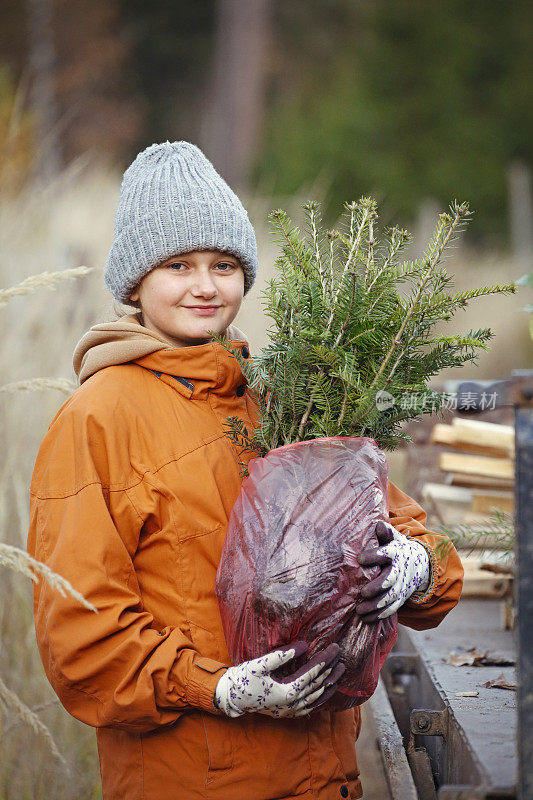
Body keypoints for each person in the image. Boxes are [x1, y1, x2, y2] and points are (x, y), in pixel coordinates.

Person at [27, 141, 464, 800]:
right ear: (136, 281)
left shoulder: (286, 397)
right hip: (193, 781)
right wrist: (218, 688)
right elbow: (80, 635)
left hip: (323, 779)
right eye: (178, 264)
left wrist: (417, 565)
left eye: (224, 264)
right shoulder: (98, 419)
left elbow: (399, 529)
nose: (204, 285)